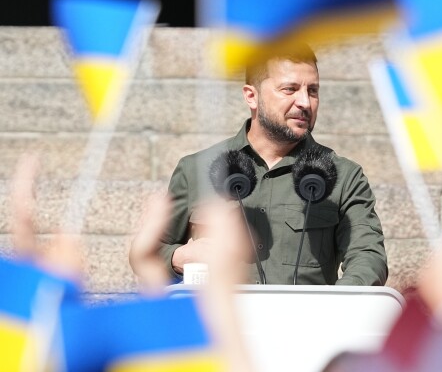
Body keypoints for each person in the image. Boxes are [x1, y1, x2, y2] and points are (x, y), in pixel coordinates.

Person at [155, 43, 388, 285]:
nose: (305, 103)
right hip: (222, 321)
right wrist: (177, 257)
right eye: (290, 89)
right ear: (251, 96)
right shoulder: (195, 170)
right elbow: (151, 252)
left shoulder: (344, 176)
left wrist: (332, 307)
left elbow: (368, 257)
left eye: (313, 91)